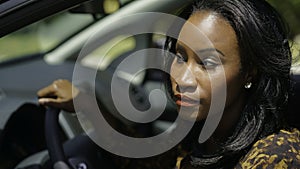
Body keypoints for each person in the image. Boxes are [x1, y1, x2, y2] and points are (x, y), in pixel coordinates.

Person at [38, 0, 300, 168]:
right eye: (179, 56)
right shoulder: (200, 134)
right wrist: (87, 104)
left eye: (207, 63)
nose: (182, 79)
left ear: (249, 73)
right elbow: (148, 160)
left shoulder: (276, 154)